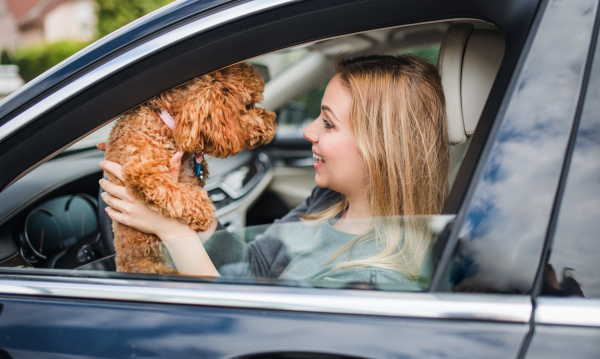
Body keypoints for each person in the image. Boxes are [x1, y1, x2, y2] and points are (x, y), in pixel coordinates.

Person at [98, 54, 450, 284]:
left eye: (327, 123)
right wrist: (186, 186)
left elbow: (241, 328)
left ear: (380, 147)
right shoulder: (326, 202)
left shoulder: (372, 281)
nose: (309, 130)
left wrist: (171, 230)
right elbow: (255, 265)